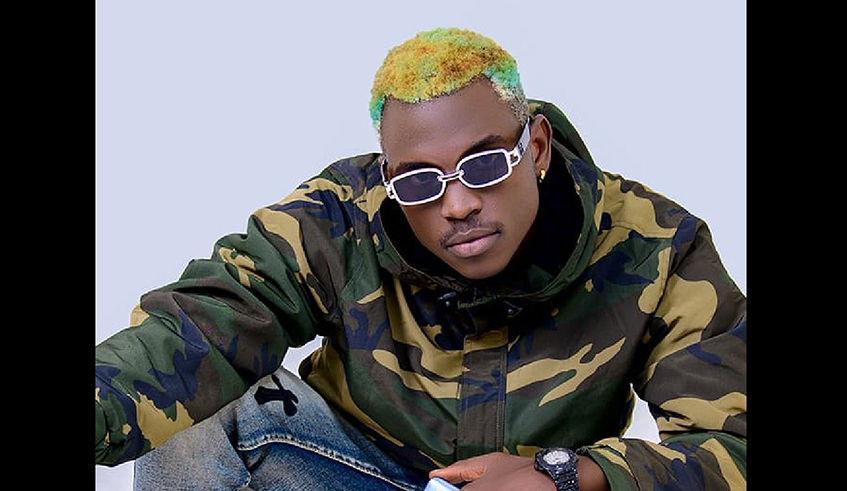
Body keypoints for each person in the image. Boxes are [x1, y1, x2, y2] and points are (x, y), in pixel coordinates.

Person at [95, 27, 746, 491]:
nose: (457, 204)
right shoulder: (339, 216)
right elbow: (202, 325)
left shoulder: (658, 244)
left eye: (485, 164)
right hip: (351, 469)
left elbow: (733, 445)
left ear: (538, 147)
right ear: (389, 178)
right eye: (419, 182)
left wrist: (570, 475)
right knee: (192, 410)